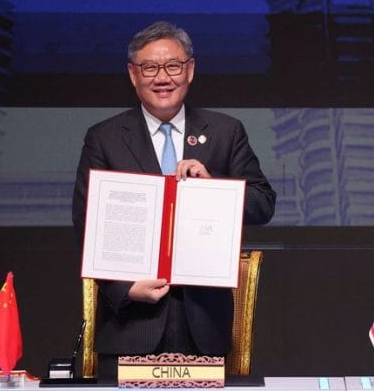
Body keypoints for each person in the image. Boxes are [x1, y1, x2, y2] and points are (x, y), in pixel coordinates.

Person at [72, 21, 276, 382]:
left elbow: (263, 204)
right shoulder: (104, 138)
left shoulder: (226, 132)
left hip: (204, 326)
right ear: (133, 75)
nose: (162, 77)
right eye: (150, 67)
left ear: (190, 70)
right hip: (129, 326)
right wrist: (125, 291)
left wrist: (213, 188)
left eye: (173, 66)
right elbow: (86, 224)